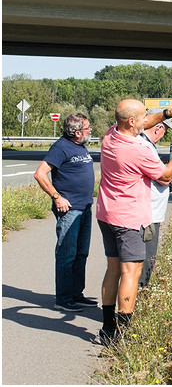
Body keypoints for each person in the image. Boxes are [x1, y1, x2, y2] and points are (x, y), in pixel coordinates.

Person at [95, 100, 172, 345]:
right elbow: (165, 175)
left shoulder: (112, 135)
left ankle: (107, 329)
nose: (146, 121)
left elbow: (144, 122)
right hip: (129, 219)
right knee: (131, 273)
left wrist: (165, 114)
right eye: (142, 118)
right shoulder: (138, 150)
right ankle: (123, 334)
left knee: (112, 269)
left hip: (106, 213)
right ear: (132, 122)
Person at [32, 113, 98, 312]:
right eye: (88, 129)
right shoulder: (60, 147)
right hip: (69, 210)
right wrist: (56, 197)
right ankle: (63, 299)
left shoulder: (79, 145)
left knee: (81, 254)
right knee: (66, 255)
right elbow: (40, 173)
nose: (90, 131)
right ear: (77, 133)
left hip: (84, 207)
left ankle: (76, 294)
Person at [137, 120, 172, 289]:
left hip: (151, 212)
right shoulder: (145, 147)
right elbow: (164, 178)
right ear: (158, 128)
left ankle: (137, 297)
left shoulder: (146, 146)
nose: (163, 136)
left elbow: (164, 175)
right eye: (165, 131)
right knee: (146, 259)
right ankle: (137, 298)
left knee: (146, 259)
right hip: (148, 214)